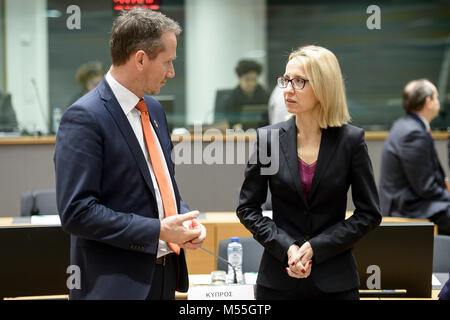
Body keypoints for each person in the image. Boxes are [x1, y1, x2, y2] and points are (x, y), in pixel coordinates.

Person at [54, 8, 206, 300]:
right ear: (140, 59)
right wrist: (158, 231)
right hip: (114, 287)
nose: (172, 73)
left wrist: (184, 220)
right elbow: (77, 212)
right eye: (167, 62)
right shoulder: (85, 117)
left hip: (164, 276)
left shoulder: (156, 110)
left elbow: (161, 189)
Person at [236, 45, 382, 300]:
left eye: (299, 81)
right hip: (278, 280)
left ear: (324, 86)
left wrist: (316, 247)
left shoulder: (351, 140)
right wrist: (287, 248)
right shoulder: (268, 139)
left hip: (335, 281)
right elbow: (248, 208)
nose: (288, 89)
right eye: (286, 80)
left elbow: (368, 214)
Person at [379, 79, 450, 235]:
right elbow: (425, 187)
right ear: (428, 102)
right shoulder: (413, 133)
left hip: (410, 201)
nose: (439, 103)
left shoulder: (407, 125)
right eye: (437, 98)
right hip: (407, 207)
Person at [222, 59, 269, 129]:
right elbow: (230, 122)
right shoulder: (232, 98)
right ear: (239, 78)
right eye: (247, 79)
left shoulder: (264, 94)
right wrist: (235, 126)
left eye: (254, 79)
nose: (251, 83)